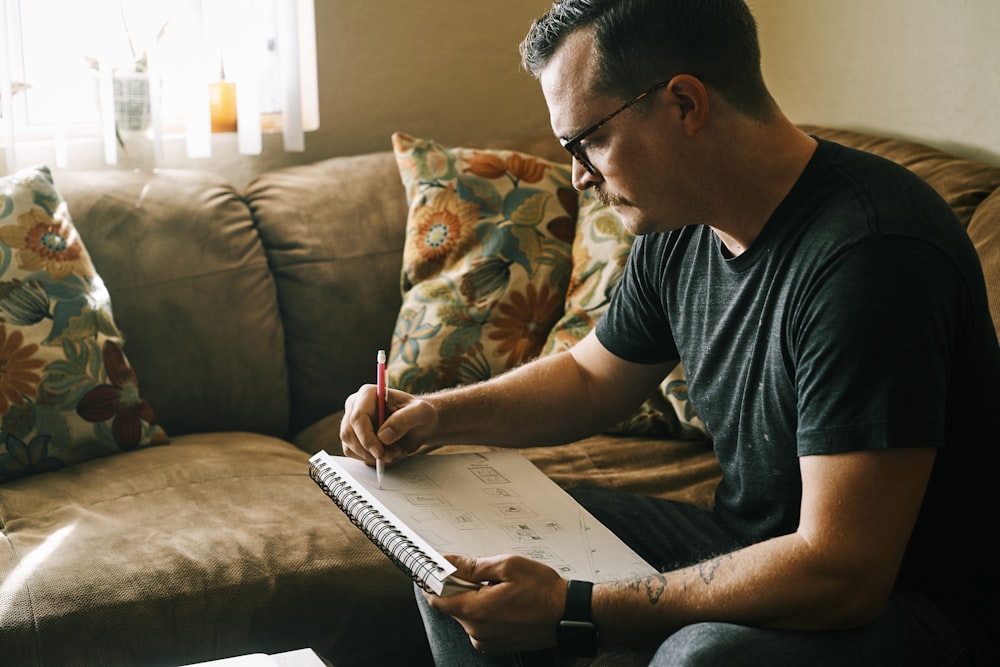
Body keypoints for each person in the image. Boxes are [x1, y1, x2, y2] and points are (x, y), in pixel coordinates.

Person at [339, 0, 1000, 664]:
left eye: (587, 140)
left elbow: (842, 571)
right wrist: (428, 415)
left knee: (701, 655)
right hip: (750, 542)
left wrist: (572, 607)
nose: (578, 174)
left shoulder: (873, 256)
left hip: (916, 606)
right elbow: (591, 377)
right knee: (464, 558)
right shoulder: (683, 222)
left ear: (685, 105)